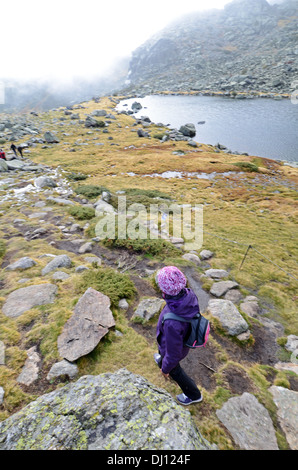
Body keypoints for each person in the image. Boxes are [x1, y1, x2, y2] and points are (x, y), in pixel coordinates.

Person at [155, 266, 203, 406]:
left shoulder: (172, 322)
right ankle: (161, 359)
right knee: (163, 353)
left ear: (164, 289)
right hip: (177, 340)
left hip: (173, 350)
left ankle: (194, 395)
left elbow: (173, 353)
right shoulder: (188, 294)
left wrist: (165, 369)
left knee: (176, 371)